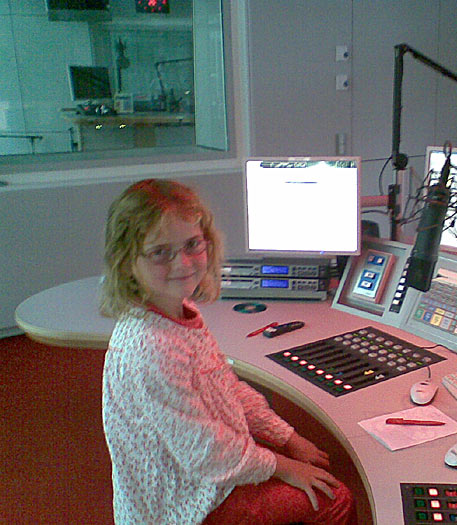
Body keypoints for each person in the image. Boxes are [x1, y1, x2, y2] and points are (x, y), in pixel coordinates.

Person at [100, 179, 355, 524]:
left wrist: (288, 438)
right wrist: (285, 466)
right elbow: (205, 454)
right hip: (187, 506)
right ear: (127, 262)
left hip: (199, 475)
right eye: (161, 252)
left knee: (292, 463)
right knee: (336, 499)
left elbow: (226, 388)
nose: (183, 263)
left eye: (192, 244)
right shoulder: (151, 346)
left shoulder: (179, 311)